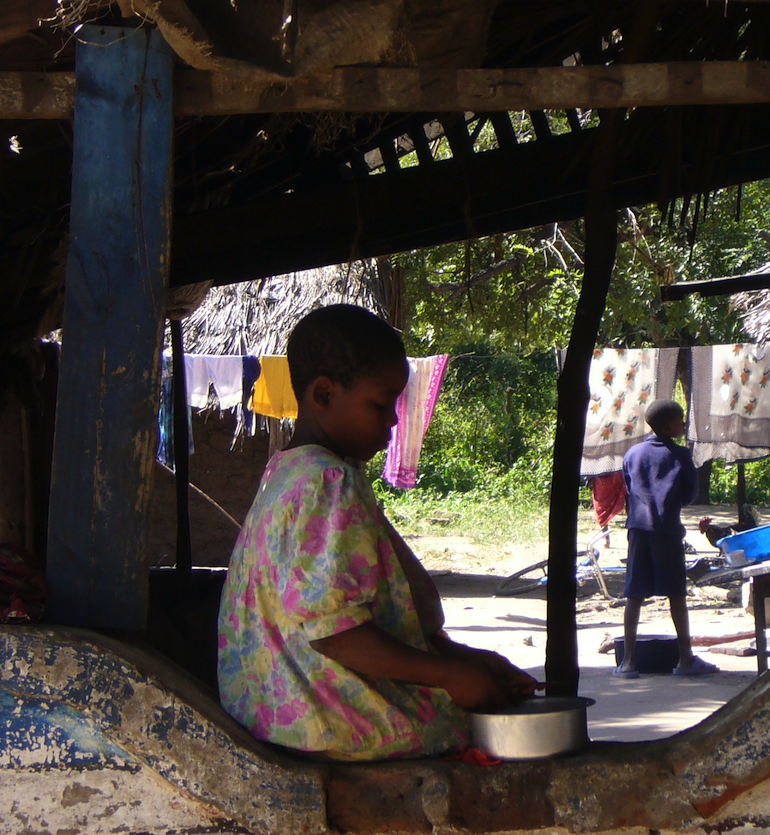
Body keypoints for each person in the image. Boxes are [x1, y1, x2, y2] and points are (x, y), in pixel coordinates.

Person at [217, 304, 536, 761]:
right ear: (324, 395)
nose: (391, 421)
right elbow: (335, 634)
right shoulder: (326, 483)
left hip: (278, 716)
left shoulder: (287, 473)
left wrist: (456, 657)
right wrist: (449, 676)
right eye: (380, 403)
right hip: (328, 723)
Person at [613, 399, 719, 678]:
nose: (683, 425)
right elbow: (689, 494)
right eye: (681, 421)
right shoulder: (681, 455)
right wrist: (669, 504)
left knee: (634, 594)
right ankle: (685, 660)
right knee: (676, 595)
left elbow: (628, 491)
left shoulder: (632, 454)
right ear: (669, 426)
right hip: (667, 531)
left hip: (637, 530)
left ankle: (628, 663)